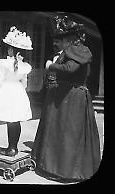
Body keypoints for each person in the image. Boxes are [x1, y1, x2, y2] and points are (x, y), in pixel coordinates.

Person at [31, 15, 101, 182]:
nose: (59, 42)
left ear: (71, 38)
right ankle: (52, 166)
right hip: (63, 96)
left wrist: (50, 65)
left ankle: (67, 171)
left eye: (62, 39)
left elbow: (70, 68)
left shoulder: (79, 50)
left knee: (69, 134)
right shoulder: (70, 51)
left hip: (73, 98)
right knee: (58, 132)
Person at [0, 26, 33, 157]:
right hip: (18, 92)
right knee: (15, 121)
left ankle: (11, 148)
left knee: (10, 121)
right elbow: (25, 84)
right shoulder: (24, 66)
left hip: (7, 91)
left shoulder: (4, 63)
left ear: (11, 50)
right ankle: (13, 147)